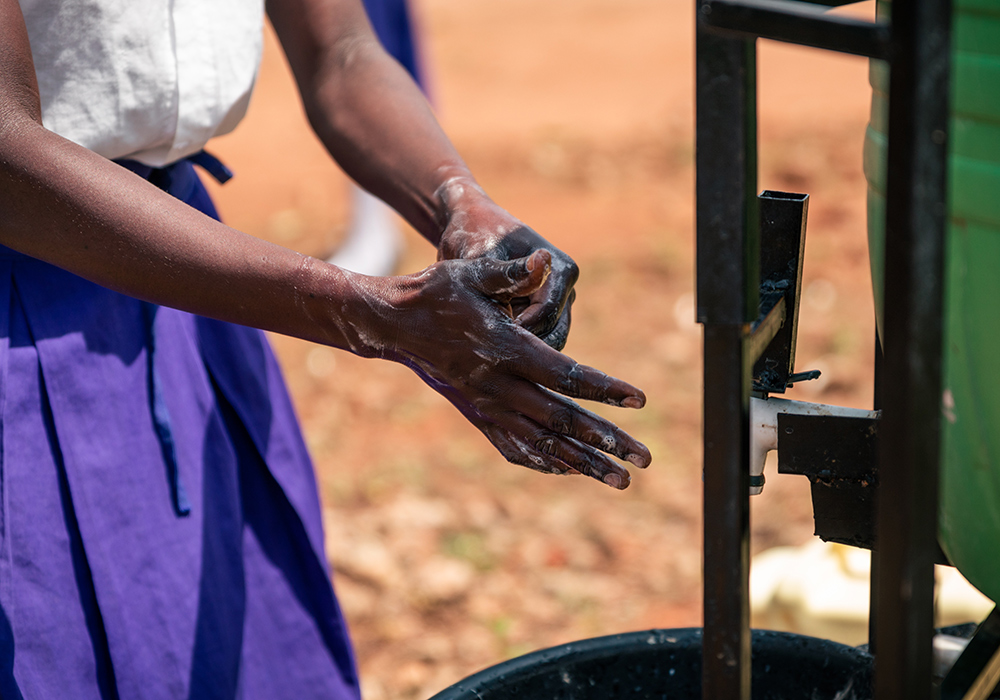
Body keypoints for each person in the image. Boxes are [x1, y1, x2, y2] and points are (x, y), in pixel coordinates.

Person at [0, 0, 652, 697]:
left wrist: (460, 202)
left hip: (186, 286)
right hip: (31, 286)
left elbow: (340, 52)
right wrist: (372, 314)